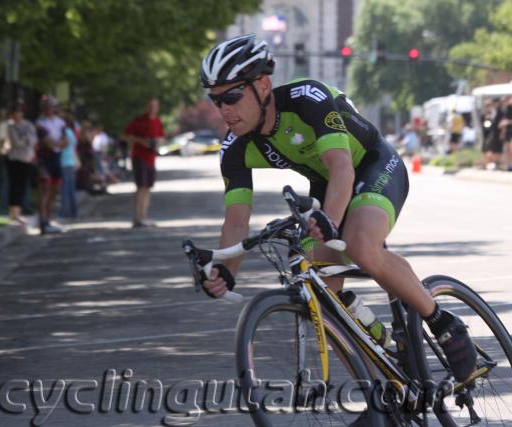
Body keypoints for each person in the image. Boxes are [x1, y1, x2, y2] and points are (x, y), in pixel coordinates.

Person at [199, 34, 477, 389]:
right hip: (327, 184)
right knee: (319, 296)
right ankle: (383, 392)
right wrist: (225, 267)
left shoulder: (306, 99)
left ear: (263, 85)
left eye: (232, 96)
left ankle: (443, 323)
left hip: (372, 165)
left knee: (360, 245)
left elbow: (342, 167)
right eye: (215, 99)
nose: (223, 110)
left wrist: (329, 220)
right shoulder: (233, 147)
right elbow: (236, 218)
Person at [123, 98, 165, 227]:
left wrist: (157, 142)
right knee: (140, 187)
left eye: (155, 105)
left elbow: (162, 137)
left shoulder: (157, 120)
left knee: (147, 187)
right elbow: (126, 135)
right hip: (139, 157)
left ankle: (144, 216)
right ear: (147, 106)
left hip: (151, 158)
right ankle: (137, 217)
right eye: (150, 105)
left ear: (157, 107)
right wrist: (141, 141)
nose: (152, 108)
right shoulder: (139, 120)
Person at [36, 95, 67, 234]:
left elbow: (66, 141)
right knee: (44, 190)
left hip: (56, 158)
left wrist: (57, 144)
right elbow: (46, 141)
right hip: (44, 159)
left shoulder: (61, 123)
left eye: (52, 106)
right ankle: (42, 222)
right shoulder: (40, 123)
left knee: (54, 190)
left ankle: (48, 219)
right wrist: (57, 143)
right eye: (46, 106)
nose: (49, 109)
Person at [5, 103, 37, 224]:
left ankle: (18, 212)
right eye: (15, 112)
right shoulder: (10, 126)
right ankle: (13, 213)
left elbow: (33, 139)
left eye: (20, 111)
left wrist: (25, 140)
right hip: (14, 159)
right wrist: (26, 139)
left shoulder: (29, 125)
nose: (18, 114)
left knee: (22, 186)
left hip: (26, 158)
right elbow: (16, 143)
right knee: (14, 186)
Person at [59, 110, 79, 219]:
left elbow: (62, 145)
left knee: (65, 189)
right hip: (71, 162)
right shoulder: (71, 132)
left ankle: (64, 212)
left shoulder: (64, 132)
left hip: (64, 162)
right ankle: (73, 211)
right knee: (71, 189)